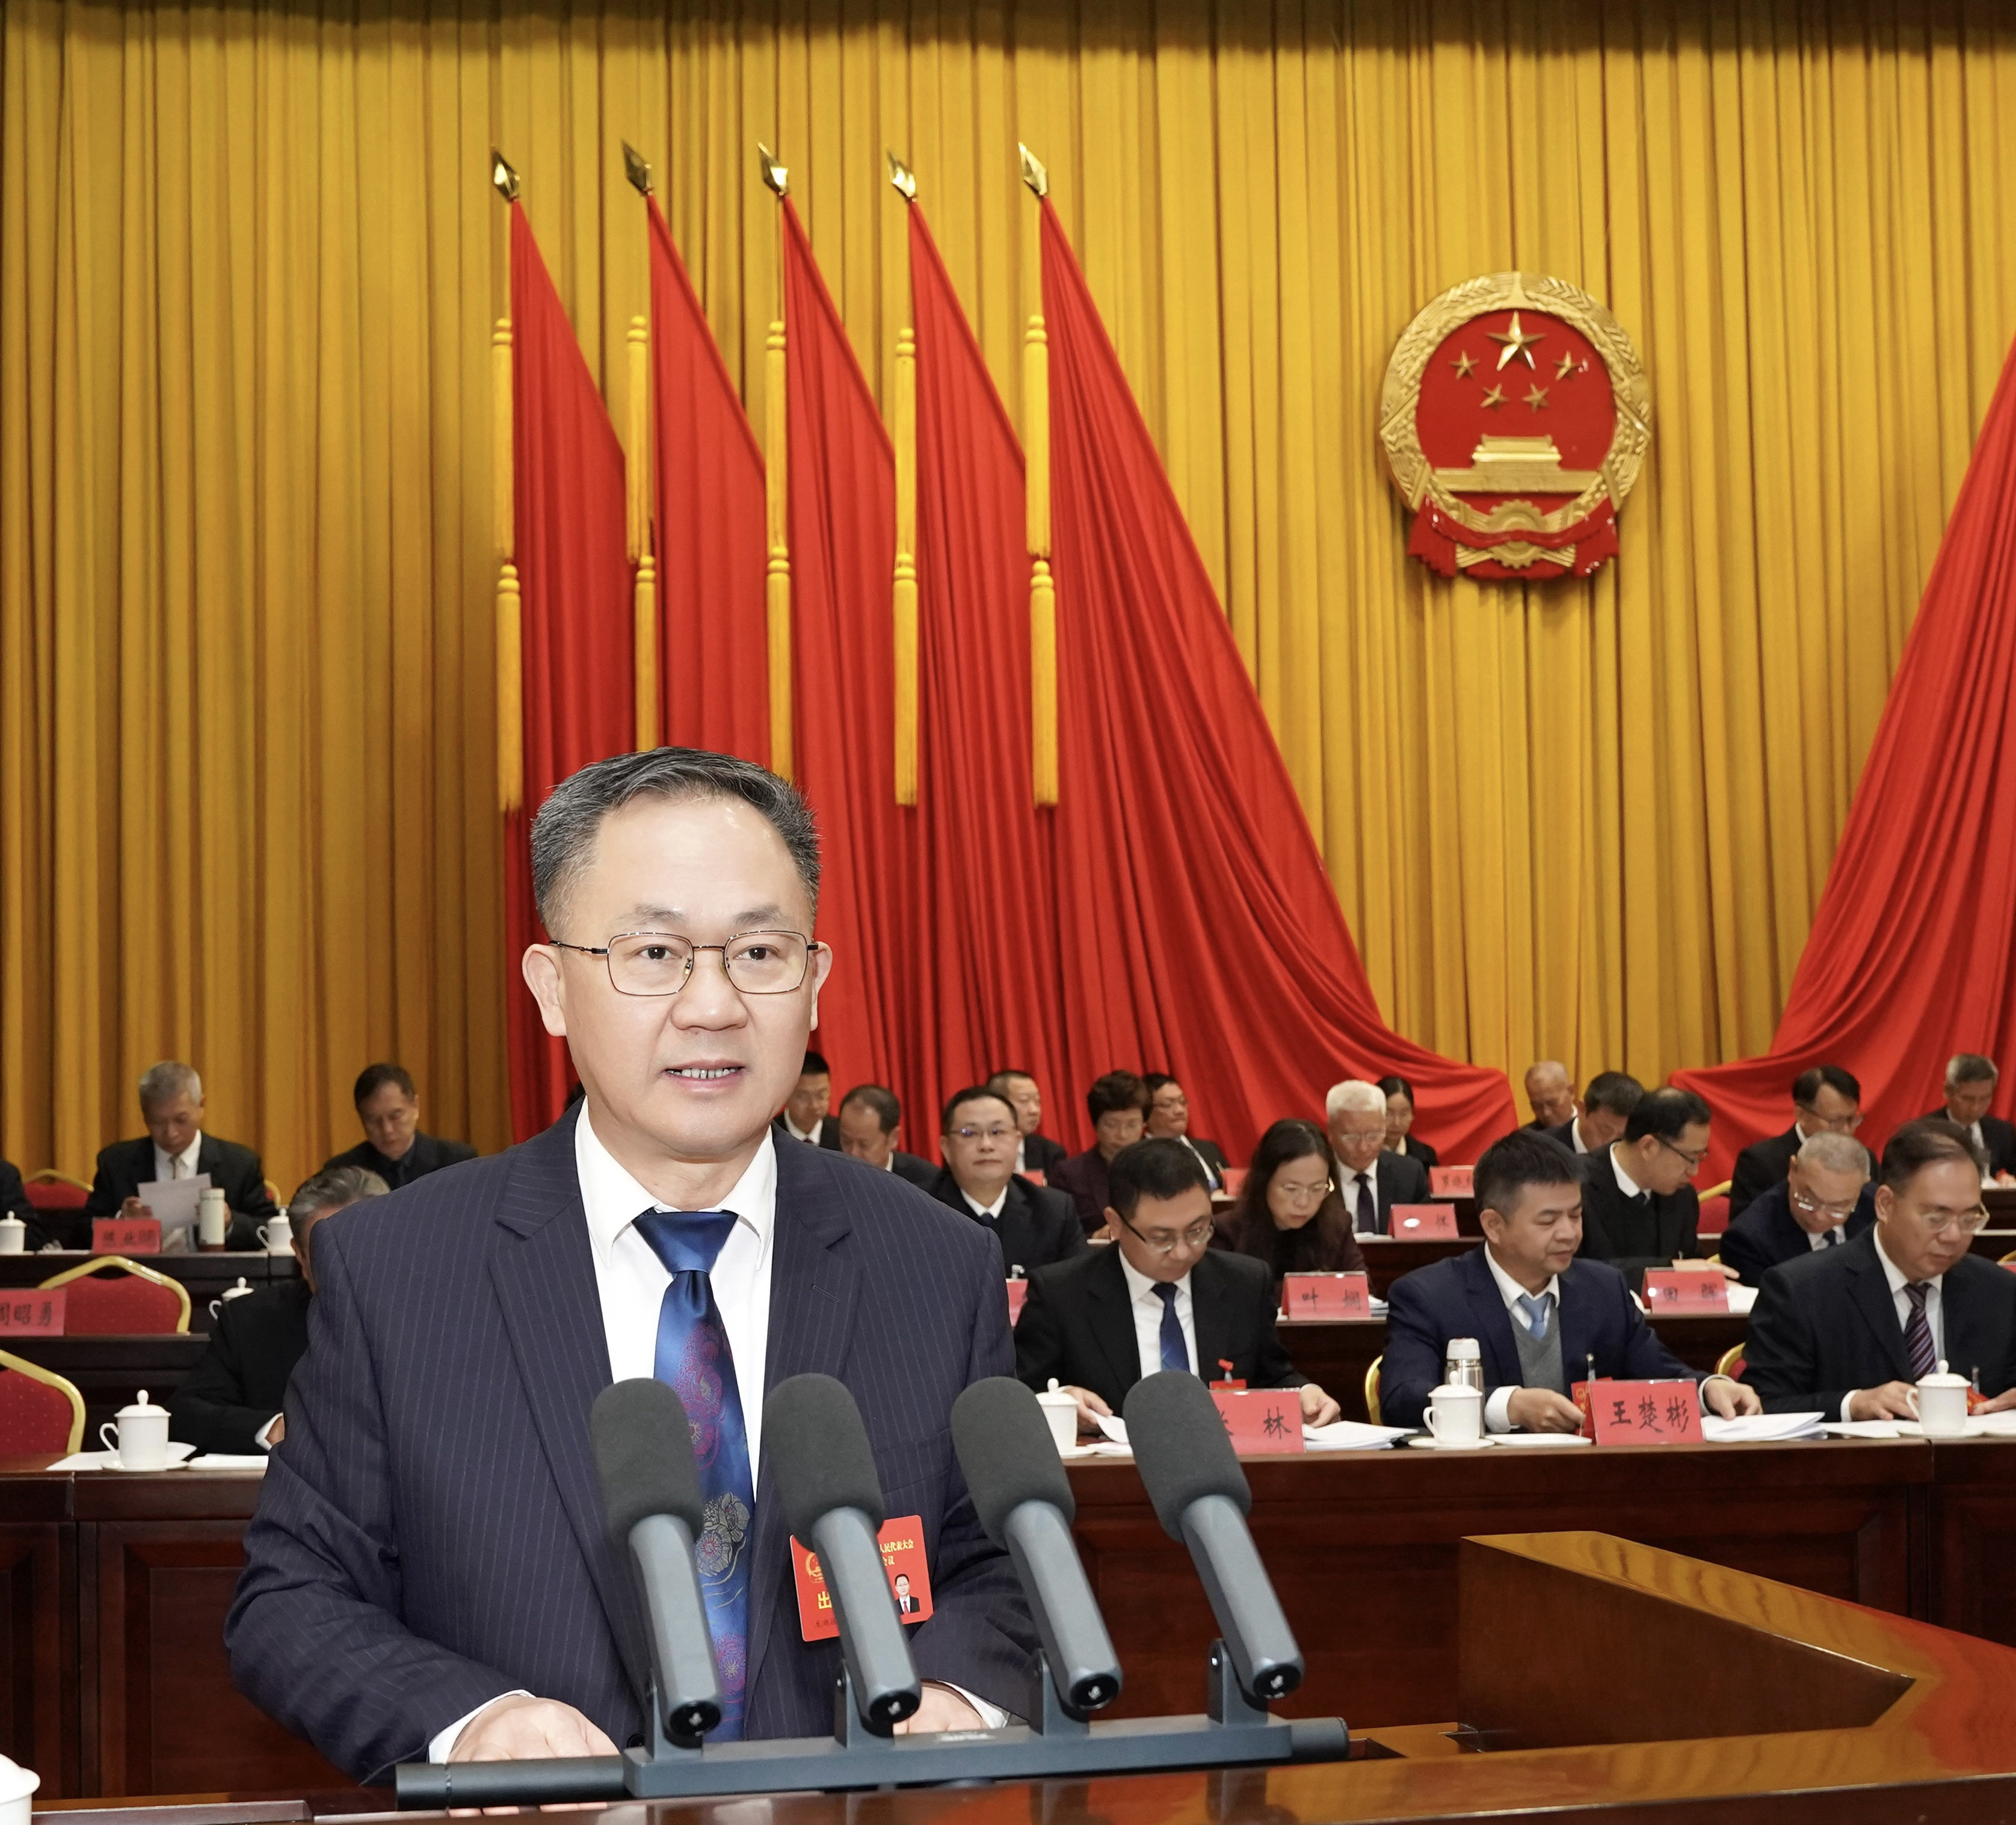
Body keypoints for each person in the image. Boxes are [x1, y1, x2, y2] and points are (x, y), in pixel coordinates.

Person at [227, 746, 1034, 1783]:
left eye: (759, 951)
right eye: (653, 951)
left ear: (814, 982)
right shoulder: (399, 1268)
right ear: (552, 987)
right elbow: (293, 1597)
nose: (712, 1005)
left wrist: (956, 1694)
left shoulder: (935, 1262)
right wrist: (472, 1721)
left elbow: (1001, 1564)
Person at [1382, 1131, 1760, 1432]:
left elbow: (1657, 1371)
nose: (1568, 1233)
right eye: (1548, 1221)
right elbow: (1402, 1397)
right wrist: (1508, 1405)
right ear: (1494, 1225)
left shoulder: (1603, 1288)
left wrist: (1708, 1389)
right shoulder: (1430, 1295)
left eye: (1576, 1216)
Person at [1014, 1139, 1342, 1436]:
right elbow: (1023, 1394)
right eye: (1162, 1238)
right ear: (1115, 1224)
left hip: (1225, 1462)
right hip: (1115, 1470)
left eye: (1198, 1231)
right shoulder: (1061, 1293)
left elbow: (1273, 1376)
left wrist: (1304, 1394)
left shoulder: (1244, 1283)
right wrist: (1060, 1399)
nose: (1183, 1252)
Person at [1743, 1119, 2016, 1419]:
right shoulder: (1801, 1290)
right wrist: (1852, 1404)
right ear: (1885, 1205)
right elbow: (1765, 1404)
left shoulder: (1999, 1292)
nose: (1953, 1236)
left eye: (1968, 1219)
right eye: (1936, 1218)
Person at [168, 1166, 388, 1456]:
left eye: (362, 1247)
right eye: (328, 1251)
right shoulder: (252, 1319)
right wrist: (273, 1428)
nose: (346, 1265)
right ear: (300, 1254)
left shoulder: (435, 1318)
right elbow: (187, 1414)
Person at [78, 1061, 276, 1251]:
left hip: (214, 1272)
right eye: (158, 1122)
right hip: (139, 1272)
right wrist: (121, 1222)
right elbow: (80, 1234)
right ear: (145, 1115)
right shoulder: (116, 1163)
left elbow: (268, 1229)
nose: (170, 1133)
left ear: (201, 1106)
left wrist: (230, 1223)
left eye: (181, 1120)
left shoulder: (239, 1164)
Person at [926, 1089, 1085, 1277]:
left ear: (1017, 1142)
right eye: (970, 1133)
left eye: (997, 1132)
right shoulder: (918, 1210)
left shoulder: (1054, 1211)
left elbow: (1079, 1284)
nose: (986, 1145)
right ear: (946, 1148)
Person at [1577, 1086, 1723, 1290]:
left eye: (1700, 1158)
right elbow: (1574, 1271)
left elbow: (1690, 1265)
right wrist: (1667, 1270)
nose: (1694, 1172)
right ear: (1648, 1146)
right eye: (1690, 1158)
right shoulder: (1574, 1186)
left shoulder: (1682, 1196)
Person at [1719, 1132, 1876, 1289]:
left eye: (1838, 1207)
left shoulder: (1879, 1211)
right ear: (1793, 1170)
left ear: (1863, 1185)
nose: (1820, 1216)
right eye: (1808, 1199)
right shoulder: (1749, 1241)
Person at [1229, 1119, 1366, 1286]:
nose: (1303, 1202)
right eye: (1291, 1189)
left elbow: (1362, 1290)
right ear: (1263, 1182)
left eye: (1317, 1189)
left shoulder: (1338, 1227)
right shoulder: (1228, 1234)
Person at [1728, 1065, 1863, 1220]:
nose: (1846, 1131)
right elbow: (1747, 1230)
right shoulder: (1760, 1163)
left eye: (1851, 1119)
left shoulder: (1863, 1161)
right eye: (1834, 1121)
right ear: (1801, 1114)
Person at [321, 1064, 477, 1190]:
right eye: (374, 1120)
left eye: (395, 1116)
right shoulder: (342, 1172)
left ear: (415, 1107)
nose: (387, 1129)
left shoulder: (457, 1161)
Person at [1052, 1072, 1150, 1236]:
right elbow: (1057, 1237)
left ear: (1144, 1125)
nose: (1122, 1135)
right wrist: (1096, 1237)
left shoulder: (1162, 1168)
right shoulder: (1069, 1175)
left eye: (1132, 1125)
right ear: (1095, 1125)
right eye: (1111, 1125)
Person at [1327, 1079, 1430, 1235]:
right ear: (1331, 1131)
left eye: (1373, 1136)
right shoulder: (1314, 1177)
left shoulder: (1409, 1175)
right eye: (1351, 1137)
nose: (1363, 1147)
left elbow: (1426, 1239)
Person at [1923, 1054, 2016, 1182]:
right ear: (1948, 1091)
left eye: (1984, 1098)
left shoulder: (2004, 1132)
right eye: (1967, 1099)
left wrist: (2009, 1181)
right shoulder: (1924, 1133)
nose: (1975, 1108)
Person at [835, 1084, 937, 1188]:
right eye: (846, 1141)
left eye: (864, 1145)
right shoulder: (829, 1174)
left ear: (893, 1138)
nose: (853, 1154)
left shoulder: (927, 1183)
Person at [1142, 1073, 1230, 1191]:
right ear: (1145, 1113)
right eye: (1168, 1105)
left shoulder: (1209, 1149)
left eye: (1183, 1102)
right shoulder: (1138, 1157)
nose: (1180, 1110)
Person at [987, 1071, 1068, 1180]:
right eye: (1024, 1101)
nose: (1034, 1110)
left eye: (1037, 1101)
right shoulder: (979, 1149)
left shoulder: (1050, 1153)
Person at [1541, 1072, 1643, 1158]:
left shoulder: (1636, 1153)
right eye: (1605, 1131)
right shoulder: (1543, 1150)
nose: (1611, 1143)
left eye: (1621, 1136)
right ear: (1582, 1110)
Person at [772, 1048, 841, 1148]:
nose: (814, 1106)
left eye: (821, 1096)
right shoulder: (769, 1136)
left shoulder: (842, 1134)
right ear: (785, 1094)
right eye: (803, 1097)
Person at [1377, 1076, 1437, 1169]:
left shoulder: (1426, 1156)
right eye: (1388, 1114)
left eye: (1404, 1114)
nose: (1396, 1123)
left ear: (1412, 1115)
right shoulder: (1362, 1154)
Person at [1523, 1061, 1577, 1130]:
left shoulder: (1588, 1129)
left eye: (1552, 1103)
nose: (1546, 1113)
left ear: (1571, 1092)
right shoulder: (1525, 1136)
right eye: (1537, 1106)